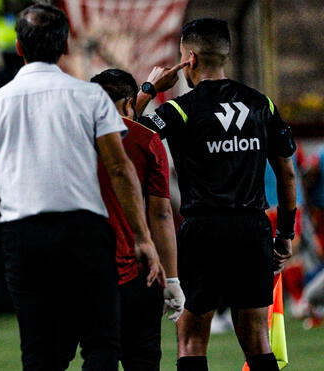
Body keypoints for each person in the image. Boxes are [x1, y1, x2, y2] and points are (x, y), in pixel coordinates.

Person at [0, 4, 164, 371]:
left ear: (18, 47)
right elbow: (119, 168)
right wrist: (142, 237)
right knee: (101, 345)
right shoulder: (91, 98)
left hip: (23, 235)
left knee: (40, 354)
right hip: (84, 231)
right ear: (66, 45)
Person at [136, 18, 297, 371]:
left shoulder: (179, 109)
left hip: (203, 231)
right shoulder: (262, 105)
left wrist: (148, 89)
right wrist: (285, 233)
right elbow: (286, 171)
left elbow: (128, 135)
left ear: (189, 59)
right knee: (257, 338)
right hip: (253, 229)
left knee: (192, 340)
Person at [90, 68, 185, 371]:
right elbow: (161, 213)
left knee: (97, 356)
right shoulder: (148, 139)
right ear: (129, 101)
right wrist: (171, 278)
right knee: (142, 359)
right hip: (139, 270)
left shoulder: (71, 137)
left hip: (87, 270)